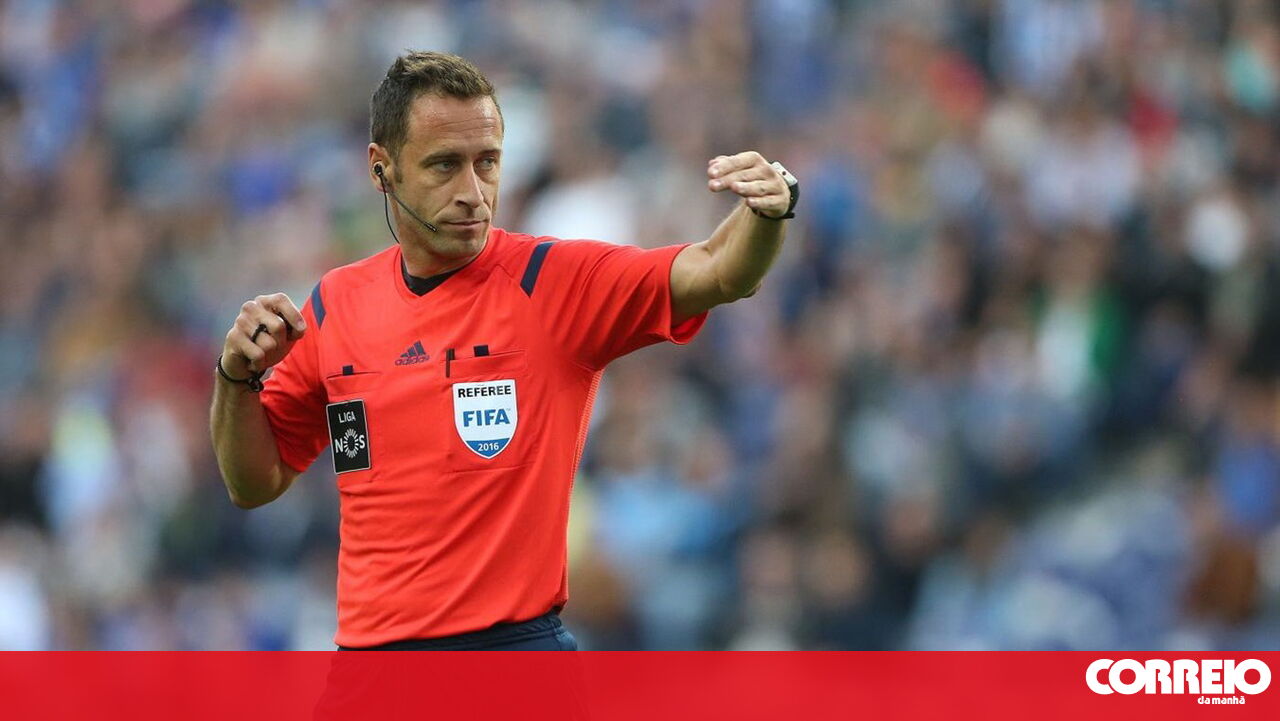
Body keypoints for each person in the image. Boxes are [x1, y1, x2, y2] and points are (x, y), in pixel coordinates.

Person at [208, 51, 798, 650]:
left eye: (486, 162)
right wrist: (236, 379)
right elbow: (254, 483)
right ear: (382, 170)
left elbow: (718, 271)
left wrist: (768, 211)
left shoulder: (553, 282)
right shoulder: (336, 304)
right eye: (445, 165)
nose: (473, 192)